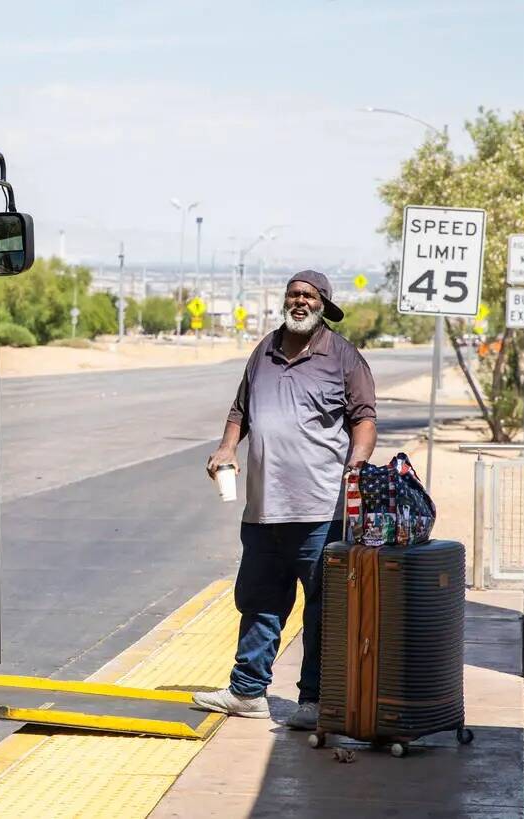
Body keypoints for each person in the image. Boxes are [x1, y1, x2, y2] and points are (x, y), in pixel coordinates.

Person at [193, 271, 377, 730]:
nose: (299, 302)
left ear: (323, 306)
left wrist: (357, 462)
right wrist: (226, 447)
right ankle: (247, 691)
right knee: (258, 600)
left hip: (321, 509)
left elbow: (364, 419)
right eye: (293, 294)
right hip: (263, 506)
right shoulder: (264, 351)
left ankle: (315, 700)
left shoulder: (344, 358)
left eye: (308, 296)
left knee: (321, 608)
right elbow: (241, 410)